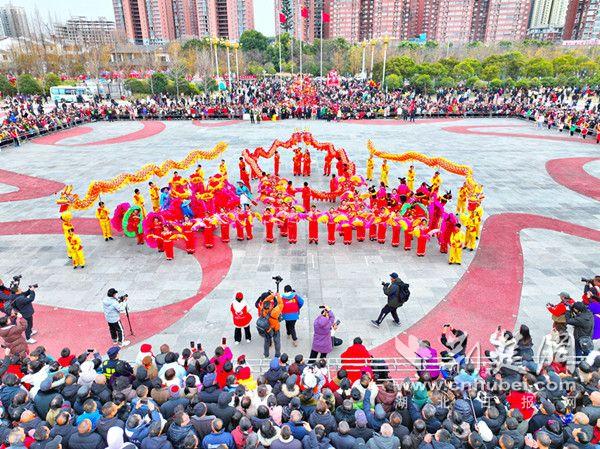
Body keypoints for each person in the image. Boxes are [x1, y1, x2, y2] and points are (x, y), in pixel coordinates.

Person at [256, 293, 284, 358]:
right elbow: (281, 304)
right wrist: (277, 295)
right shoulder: (275, 311)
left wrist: (272, 295)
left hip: (266, 329)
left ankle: (266, 355)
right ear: (270, 306)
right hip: (275, 329)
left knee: (266, 342)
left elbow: (266, 299)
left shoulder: (262, 308)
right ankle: (277, 355)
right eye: (271, 304)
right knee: (277, 342)